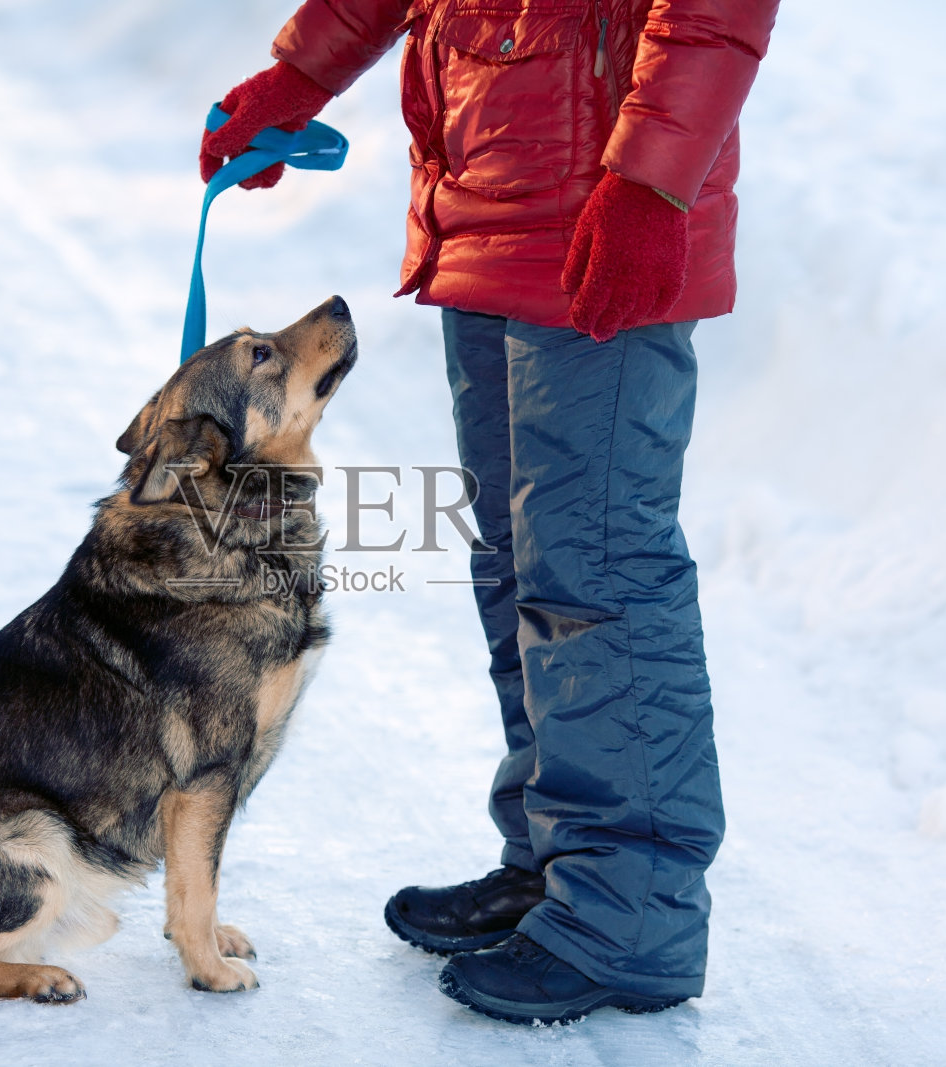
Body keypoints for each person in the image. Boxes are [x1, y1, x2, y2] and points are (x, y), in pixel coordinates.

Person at [202, 0, 779, 1025]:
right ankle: (560, 863)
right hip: (485, 198)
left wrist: (650, 179)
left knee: (596, 569)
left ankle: (629, 913)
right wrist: (298, 77)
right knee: (519, 565)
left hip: (603, 206)